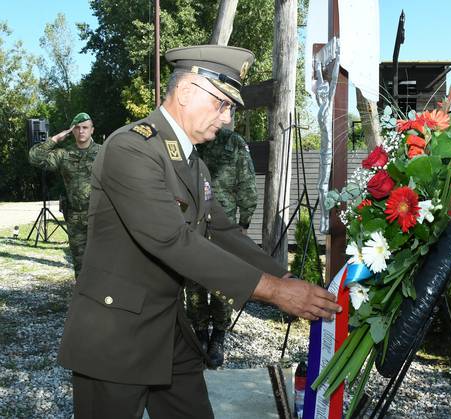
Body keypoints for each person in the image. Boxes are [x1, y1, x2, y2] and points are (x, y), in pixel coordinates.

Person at [57, 45, 340, 419]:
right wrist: (275, 292)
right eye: (222, 104)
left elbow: (222, 231)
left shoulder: (191, 163)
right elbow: (172, 240)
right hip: (116, 335)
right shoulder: (131, 148)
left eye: (230, 109)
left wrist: (283, 275)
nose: (226, 118)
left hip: (168, 329)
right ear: (187, 91)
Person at [187, 129, 257, 369]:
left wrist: (244, 222)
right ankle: (199, 333)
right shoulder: (190, 139)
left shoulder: (234, 142)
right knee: (194, 281)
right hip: (192, 222)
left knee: (221, 282)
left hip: (224, 224)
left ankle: (218, 335)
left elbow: (246, 182)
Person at [29, 113, 101, 277]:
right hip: (75, 217)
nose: (81, 131)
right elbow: (34, 157)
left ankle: (104, 301)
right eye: (77, 128)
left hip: (99, 216)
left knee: (103, 262)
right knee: (80, 265)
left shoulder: (103, 152)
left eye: (85, 127)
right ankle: (83, 300)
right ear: (72, 131)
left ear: (92, 130)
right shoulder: (64, 154)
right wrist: (55, 139)